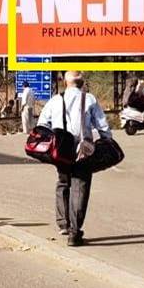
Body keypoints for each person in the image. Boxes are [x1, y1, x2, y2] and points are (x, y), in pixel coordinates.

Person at [37, 71, 112, 247]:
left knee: (63, 181)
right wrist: (106, 140)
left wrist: (51, 139)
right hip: (83, 149)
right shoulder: (90, 99)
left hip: (61, 149)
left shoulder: (55, 100)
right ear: (82, 83)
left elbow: (42, 124)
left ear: (65, 82)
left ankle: (63, 223)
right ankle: (74, 232)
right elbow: (103, 126)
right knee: (80, 186)